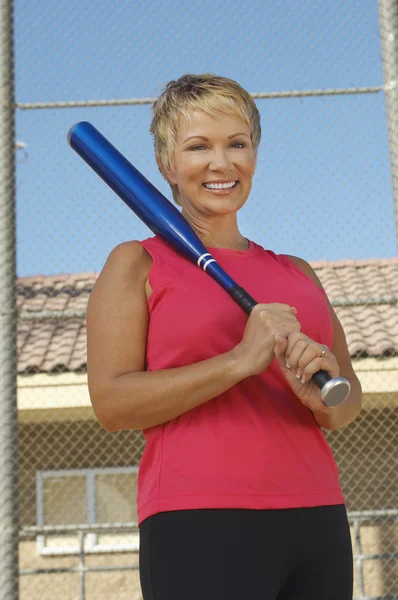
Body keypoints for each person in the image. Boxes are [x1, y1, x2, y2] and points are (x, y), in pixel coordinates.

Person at [86, 73, 362, 600]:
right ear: (168, 164)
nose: (221, 163)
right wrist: (238, 361)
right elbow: (111, 403)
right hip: (199, 516)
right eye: (198, 147)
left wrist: (321, 397)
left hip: (318, 514)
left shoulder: (298, 273)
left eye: (238, 143)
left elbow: (346, 404)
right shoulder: (138, 263)